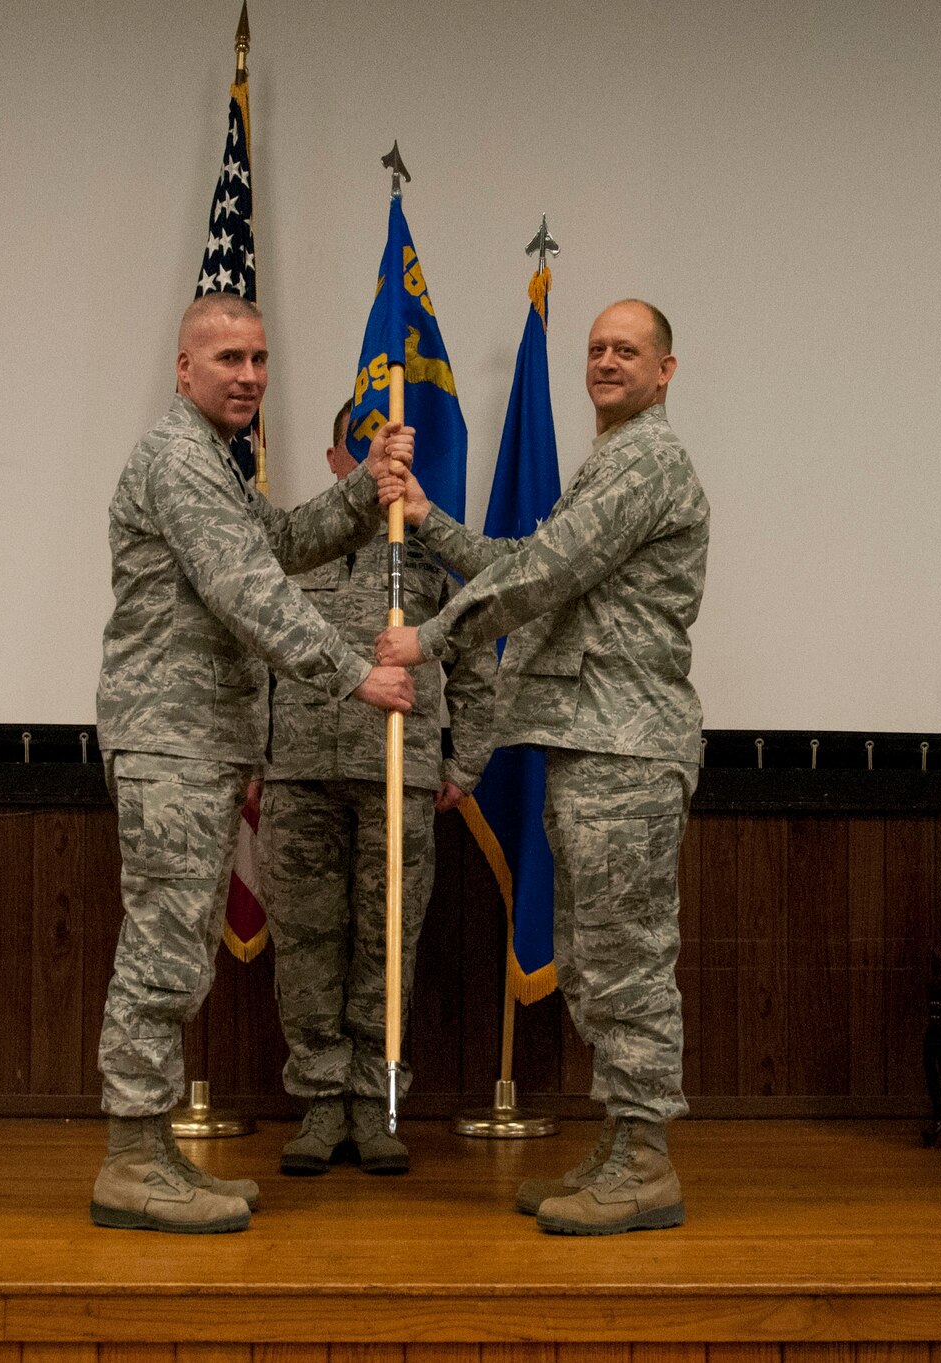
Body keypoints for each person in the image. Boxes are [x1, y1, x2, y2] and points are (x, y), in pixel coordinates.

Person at [376, 299, 708, 1236]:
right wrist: (431, 519)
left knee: (628, 962)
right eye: (597, 348)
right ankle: (622, 1139)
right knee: (599, 961)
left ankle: (646, 1159)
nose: (606, 361)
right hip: (590, 741)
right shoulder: (608, 465)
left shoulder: (649, 460)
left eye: (627, 349)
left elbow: (540, 577)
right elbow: (523, 560)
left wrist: (427, 640)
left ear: (666, 369)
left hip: (626, 747)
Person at [91, 292, 416, 1235]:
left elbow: (272, 544)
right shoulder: (179, 461)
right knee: (159, 960)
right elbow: (252, 595)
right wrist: (356, 674)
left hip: (199, 741)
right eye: (227, 358)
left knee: (176, 955)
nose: (248, 375)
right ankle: (129, 1160)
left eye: (259, 359)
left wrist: (367, 492)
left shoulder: (217, 466)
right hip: (172, 740)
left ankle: (147, 1154)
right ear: (183, 369)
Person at [263, 399, 496, 1177]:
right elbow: (247, 653)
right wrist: (246, 762)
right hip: (297, 778)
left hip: (399, 781)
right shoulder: (289, 554)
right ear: (338, 464)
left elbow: (476, 668)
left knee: (387, 947)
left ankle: (375, 1103)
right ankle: (321, 1104)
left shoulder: (428, 561)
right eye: (368, 454)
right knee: (305, 947)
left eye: (397, 455)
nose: (385, 470)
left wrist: (462, 769)